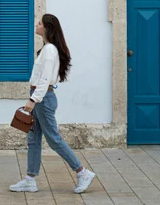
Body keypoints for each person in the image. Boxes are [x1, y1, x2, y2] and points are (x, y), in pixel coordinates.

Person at [9, 14, 95, 195]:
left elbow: (46, 78)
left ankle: (82, 172)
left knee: (53, 139)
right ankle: (30, 180)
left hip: (43, 99)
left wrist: (33, 100)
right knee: (33, 138)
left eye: (39, 23)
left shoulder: (49, 50)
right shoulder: (48, 49)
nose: (37, 25)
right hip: (40, 96)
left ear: (47, 28)